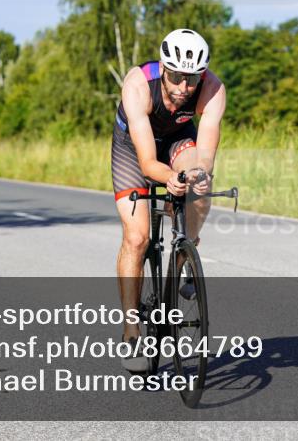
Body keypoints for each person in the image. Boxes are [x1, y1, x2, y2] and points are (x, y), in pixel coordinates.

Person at [111, 29, 227, 371]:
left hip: (178, 138)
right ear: (163, 68)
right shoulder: (138, 86)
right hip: (133, 149)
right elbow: (148, 163)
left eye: (191, 79)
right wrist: (168, 179)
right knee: (137, 238)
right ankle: (132, 330)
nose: (183, 87)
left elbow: (205, 153)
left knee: (199, 183)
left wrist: (197, 175)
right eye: (175, 77)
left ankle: (184, 252)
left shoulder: (213, 88)